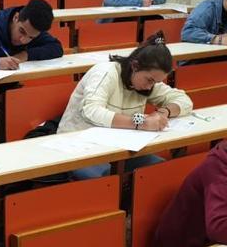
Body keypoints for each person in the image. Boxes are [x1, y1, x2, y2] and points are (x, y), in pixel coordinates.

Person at [56, 31, 193, 179]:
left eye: (156, 82)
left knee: (160, 170)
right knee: (105, 178)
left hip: (118, 147)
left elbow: (184, 100)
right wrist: (142, 122)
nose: (150, 87)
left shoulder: (146, 83)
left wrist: (163, 112)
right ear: (135, 66)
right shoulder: (106, 72)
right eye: (149, 80)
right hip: (79, 146)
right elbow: (92, 111)